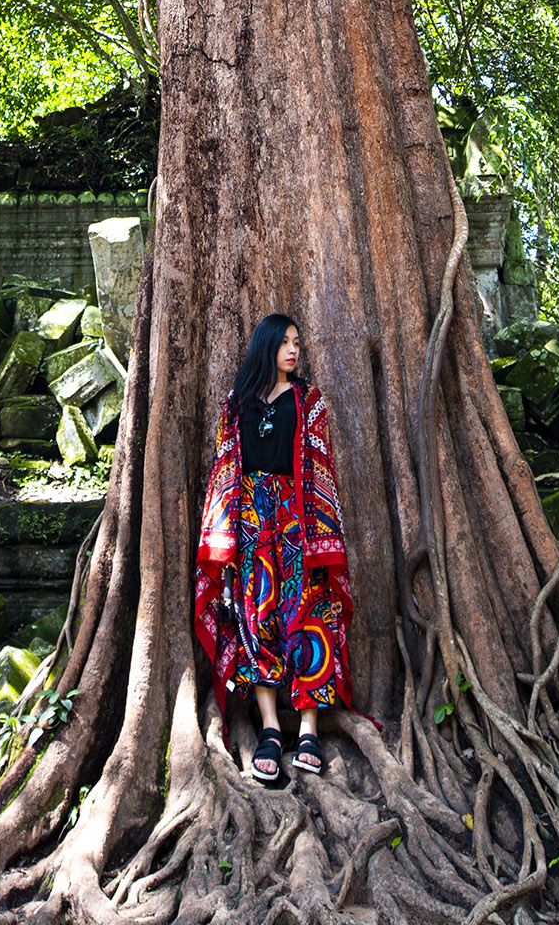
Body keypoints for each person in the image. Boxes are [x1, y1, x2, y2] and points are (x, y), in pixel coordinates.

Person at [194, 313, 354, 784]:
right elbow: (225, 467)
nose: (293, 349)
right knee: (254, 615)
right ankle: (268, 730)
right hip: (251, 525)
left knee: (310, 618)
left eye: (297, 342)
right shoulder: (236, 403)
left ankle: (307, 731)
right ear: (265, 346)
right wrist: (223, 533)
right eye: (284, 342)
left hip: (299, 523)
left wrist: (321, 534)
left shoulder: (309, 402)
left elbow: (320, 466)